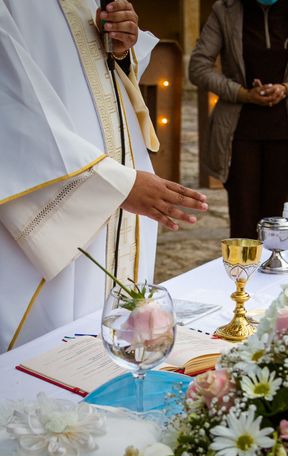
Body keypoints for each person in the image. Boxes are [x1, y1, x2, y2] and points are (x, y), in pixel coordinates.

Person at [0, 0, 208, 351]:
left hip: (118, 177)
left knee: (115, 333)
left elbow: (91, 68)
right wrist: (113, 184)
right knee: (50, 349)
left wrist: (123, 49)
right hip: (57, 183)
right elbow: (11, 104)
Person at [189, 0, 288, 238]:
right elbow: (198, 67)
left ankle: (275, 271)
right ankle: (242, 274)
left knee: (277, 227)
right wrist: (242, 93)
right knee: (243, 225)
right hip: (239, 134)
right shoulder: (225, 10)